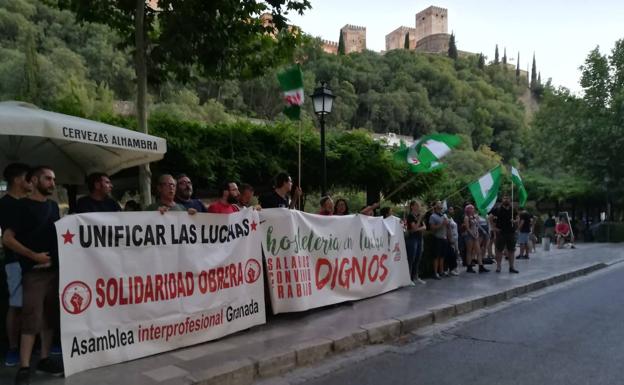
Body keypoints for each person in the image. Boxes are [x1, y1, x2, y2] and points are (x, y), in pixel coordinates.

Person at [2, 166, 64, 382]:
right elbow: (7, 238)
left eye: (53, 179)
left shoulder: (54, 207)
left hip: (54, 272)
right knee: (30, 318)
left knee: (48, 318)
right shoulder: (21, 207)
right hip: (33, 273)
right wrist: (33, 256)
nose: (52, 183)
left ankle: (45, 358)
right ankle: (25, 366)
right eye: (48, 178)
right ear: (35, 179)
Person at [1, 163, 32, 367]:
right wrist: (32, 254)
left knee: (32, 305)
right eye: (28, 178)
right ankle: (13, 348)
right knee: (16, 305)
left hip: (34, 263)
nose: (32, 181)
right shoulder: (5, 204)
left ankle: (30, 344)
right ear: (18, 180)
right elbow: (7, 239)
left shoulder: (30, 202)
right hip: (15, 262)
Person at [489, 195, 519, 273]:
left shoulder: (513, 209)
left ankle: (511, 267)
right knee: (499, 250)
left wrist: (515, 221)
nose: (506, 200)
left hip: (511, 232)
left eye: (508, 198)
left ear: (510, 200)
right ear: (502, 200)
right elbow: (490, 217)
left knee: (511, 250)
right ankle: (498, 266)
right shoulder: (497, 209)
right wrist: (493, 227)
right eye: (505, 198)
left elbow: (518, 217)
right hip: (501, 232)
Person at [405, 200, 426, 284]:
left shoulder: (417, 216)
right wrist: (420, 219)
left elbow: (424, 227)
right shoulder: (410, 216)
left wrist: (418, 228)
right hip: (412, 239)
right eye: (417, 205)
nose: (418, 207)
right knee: (411, 258)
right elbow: (413, 229)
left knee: (418, 258)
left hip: (419, 238)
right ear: (412, 206)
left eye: (419, 205)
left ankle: (415, 276)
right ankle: (408, 278)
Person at [463, 205, 488, 273]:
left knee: (478, 251)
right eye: (472, 208)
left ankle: (481, 266)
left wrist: (477, 233)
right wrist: (473, 235)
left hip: (475, 235)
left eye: (473, 208)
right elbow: (467, 228)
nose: (473, 209)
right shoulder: (466, 217)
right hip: (469, 236)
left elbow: (477, 225)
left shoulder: (474, 217)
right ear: (468, 210)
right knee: (469, 251)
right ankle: (469, 267)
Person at [429, 201, 448, 280]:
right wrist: (441, 224)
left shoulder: (443, 215)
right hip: (437, 238)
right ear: (436, 207)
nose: (441, 206)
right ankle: (435, 273)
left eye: (441, 205)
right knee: (436, 256)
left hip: (443, 237)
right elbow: (432, 228)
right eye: (439, 205)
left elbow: (446, 226)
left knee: (442, 256)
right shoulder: (433, 216)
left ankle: (441, 271)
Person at [445, 206, 460, 276]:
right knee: (451, 254)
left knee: (455, 253)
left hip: (455, 238)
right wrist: (450, 239)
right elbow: (448, 229)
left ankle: (454, 267)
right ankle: (451, 269)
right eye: (450, 209)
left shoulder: (452, 218)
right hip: (451, 238)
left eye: (452, 209)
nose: (452, 210)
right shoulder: (447, 219)